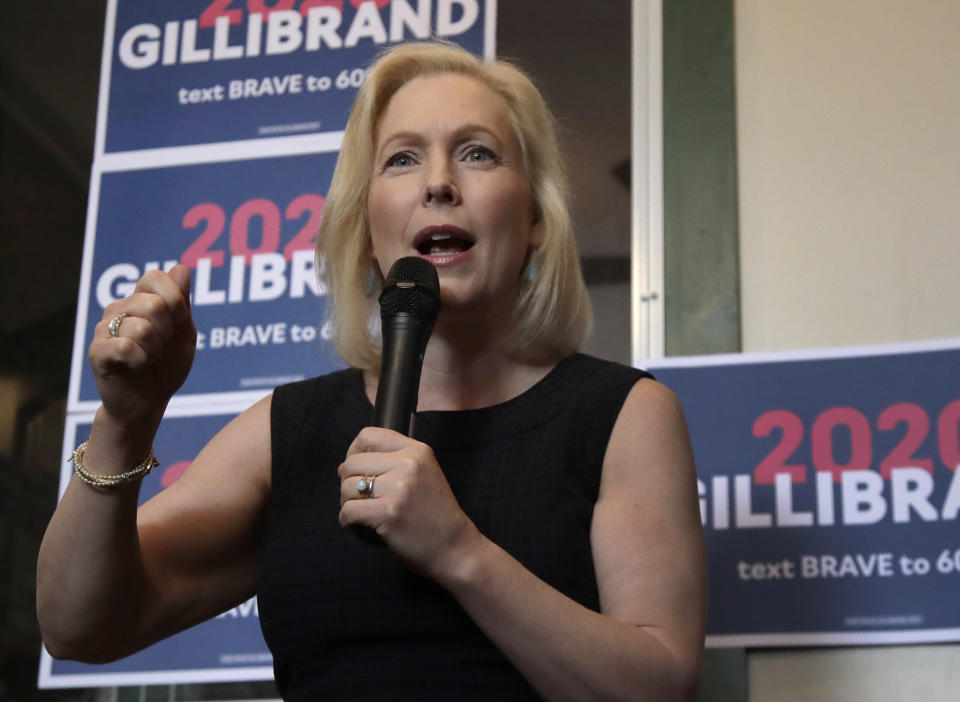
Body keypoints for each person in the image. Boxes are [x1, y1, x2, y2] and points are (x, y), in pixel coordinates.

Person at [37, 41, 706, 700]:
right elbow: (76, 626)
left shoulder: (623, 415)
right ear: (366, 223)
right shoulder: (290, 429)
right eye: (402, 158)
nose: (439, 182)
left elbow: (658, 686)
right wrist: (124, 422)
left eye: (477, 153)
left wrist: (458, 552)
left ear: (533, 215)